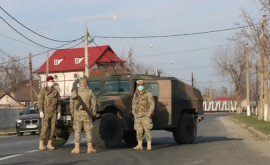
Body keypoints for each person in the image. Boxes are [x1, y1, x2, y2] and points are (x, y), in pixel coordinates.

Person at [70, 78, 97, 154]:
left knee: (77, 131)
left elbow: (71, 103)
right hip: (86, 114)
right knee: (88, 131)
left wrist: (72, 113)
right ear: (85, 83)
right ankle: (90, 148)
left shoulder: (75, 92)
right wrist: (93, 113)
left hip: (77, 114)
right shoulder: (89, 91)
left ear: (79, 83)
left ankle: (76, 148)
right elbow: (94, 103)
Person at [38, 76, 61, 150]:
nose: (51, 82)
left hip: (54, 111)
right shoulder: (43, 91)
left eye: (52, 81)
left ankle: (49, 143)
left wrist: (59, 112)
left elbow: (58, 102)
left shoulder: (55, 91)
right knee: (45, 128)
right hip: (46, 111)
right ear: (47, 82)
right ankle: (41, 143)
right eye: (50, 81)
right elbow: (40, 101)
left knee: (53, 128)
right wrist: (41, 111)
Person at [132, 80, 155, 151]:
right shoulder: (135, 94)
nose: (140, 86)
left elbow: (152, 104)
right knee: (138, 131)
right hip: (137, 116)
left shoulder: (148, 94)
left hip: (145, 116)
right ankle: (139, 145)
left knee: (147, 130)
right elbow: (133, 105)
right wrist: (134, 113)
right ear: (137, 86)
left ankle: (149, 145)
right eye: (139, 85)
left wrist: (149, 113)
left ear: (144, 86)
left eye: (141, 85)